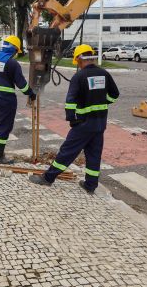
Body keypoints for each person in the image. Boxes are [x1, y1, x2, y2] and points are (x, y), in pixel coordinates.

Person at [29, 44, 119, 194]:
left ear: (79, 59)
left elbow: (70, 101)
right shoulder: (104, 74)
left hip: (83, 124)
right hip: (100, 123)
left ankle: (48, 178)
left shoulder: (79, 77)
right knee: (94, 155)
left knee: (67, 152)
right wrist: (103, 102)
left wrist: (72, 118)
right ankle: (90, 185)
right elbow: (114, 95)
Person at [0, 35, 36, 164]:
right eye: (16, 51)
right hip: (6, 102)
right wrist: (31, 94)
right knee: (4, 128)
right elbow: (22, 84)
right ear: (13, 49)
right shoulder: (12, 63)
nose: (16, 54)